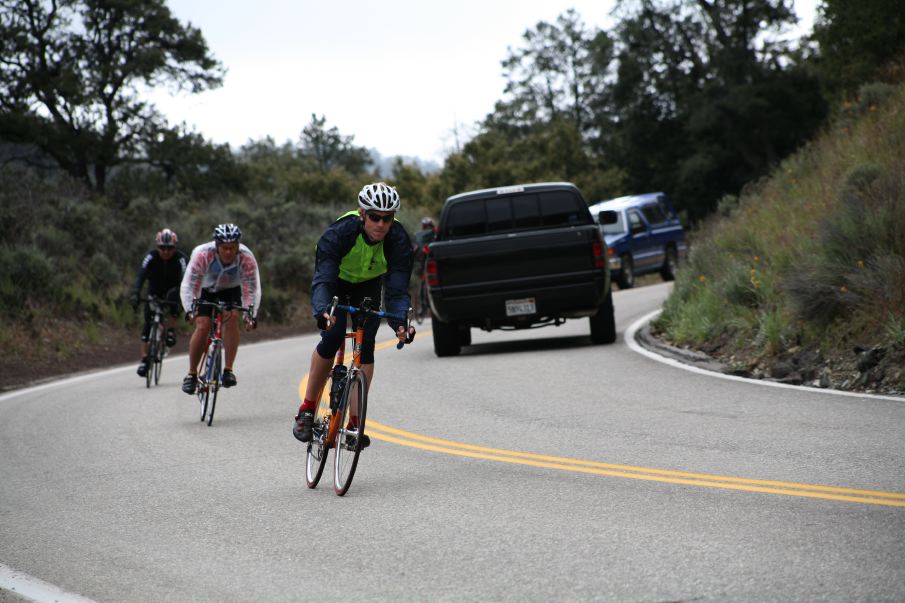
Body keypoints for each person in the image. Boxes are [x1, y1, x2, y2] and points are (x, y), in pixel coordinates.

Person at [293, 182, 416, 446]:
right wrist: (323, 310)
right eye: (374, 217)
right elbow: (323, 279)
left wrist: (400, 325)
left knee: (366, 346)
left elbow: (396, 290)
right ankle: (306, 410)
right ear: (362, 214)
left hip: (369, 285)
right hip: (335, 282)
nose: (381, 224)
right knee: (332, 336)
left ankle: (354, 424)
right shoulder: (340, 233)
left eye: (387, 218)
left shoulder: (398, 240)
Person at [180, 223, 261, 395]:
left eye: (233, 247)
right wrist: (189, 309)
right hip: (205, 289)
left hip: (231, 290)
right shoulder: (203, 254)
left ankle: (228, 370)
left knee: (232, 318)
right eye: (225, 248)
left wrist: (250, 316)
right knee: (202, 325)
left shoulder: (246, 257)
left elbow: (251, 289)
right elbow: (189, 284)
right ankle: (192, 374)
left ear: (238, 246)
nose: (229, 252)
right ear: (217, 246)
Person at [130, 228, 188, 378]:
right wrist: (136, 293)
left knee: (176, 303)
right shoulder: (150, 256)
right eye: (162, 248)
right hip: (154, 291)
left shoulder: (181, 259)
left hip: (172, 292)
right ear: (157, 247)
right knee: (148, 323)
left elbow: (187, 278)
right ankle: (144, 360)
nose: (166, 252)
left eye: (169, 248)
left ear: (175, 248)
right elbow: (141, 275)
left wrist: (186, 297)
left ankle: (170, 330)